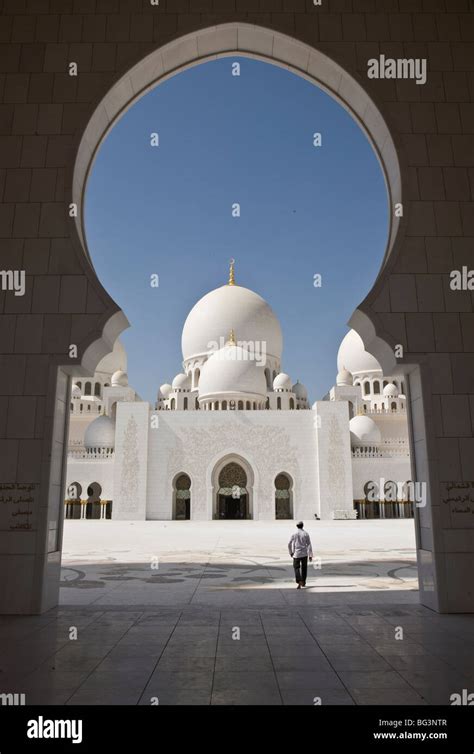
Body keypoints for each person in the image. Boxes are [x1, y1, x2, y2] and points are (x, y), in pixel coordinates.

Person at [288, 521, 313, 589]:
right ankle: (303, 581)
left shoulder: (294, 534)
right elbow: (309, 544)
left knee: (296, 568)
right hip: (304, 554)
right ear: (303, 526)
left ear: (297, 526)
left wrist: (291, 552)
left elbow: (289, 543)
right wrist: (310, 555)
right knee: (304, 568)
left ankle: (299, 580)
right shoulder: (306, 534)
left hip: (296, 554)